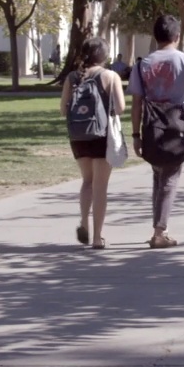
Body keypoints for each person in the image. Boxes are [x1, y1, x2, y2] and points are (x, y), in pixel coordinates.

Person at [131, 15, 184, 249]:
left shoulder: (141, 65)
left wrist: (136, 135)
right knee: (169, 177)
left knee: (159, 175)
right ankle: (160, 232)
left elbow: (136, 103)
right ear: (177, 37)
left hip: (151, 128)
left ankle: (160, 229)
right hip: (177, 126)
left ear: (155, 37)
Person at [61, 37, 125, 250]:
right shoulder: (110, 76)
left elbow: (63, 110)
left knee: (87, 181)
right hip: (101, 135)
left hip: (78, 136)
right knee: (100, 187)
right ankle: (97, 237)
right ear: (104, 55)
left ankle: (84, 223)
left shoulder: (72, 77)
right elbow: (121, 107)